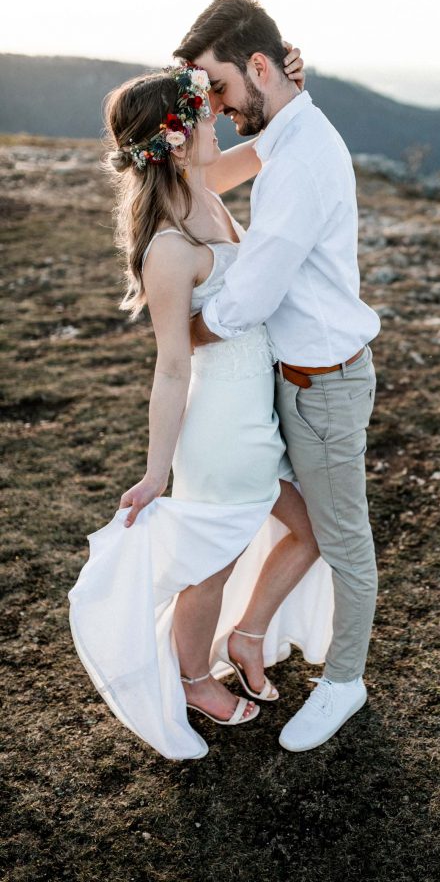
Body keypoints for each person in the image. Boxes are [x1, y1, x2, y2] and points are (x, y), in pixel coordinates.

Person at [69, 51, 335, 761]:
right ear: (177, 138)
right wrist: (157, 472)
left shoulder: (208, 186)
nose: (219, 117)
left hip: (258, 417)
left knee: (311, 531)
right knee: (208, 571)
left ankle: (246, 636)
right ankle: (192, 679)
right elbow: (171, 367)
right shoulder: (168, 248)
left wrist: (287, 88)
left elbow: (277, 141)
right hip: (220, 434)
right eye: (206, 114)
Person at [174, 0, 381, 752]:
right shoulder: (288, 129)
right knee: (297, 524)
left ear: (260, 65)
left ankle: (344, 683)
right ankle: (250, 636)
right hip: (287, 381)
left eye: (220, 88)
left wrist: (180, 332)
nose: (220, 107)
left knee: (343, 539)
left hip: (322, 385)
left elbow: (250, 296)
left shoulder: (302, 156)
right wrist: (187, 116)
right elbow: (206, 183)